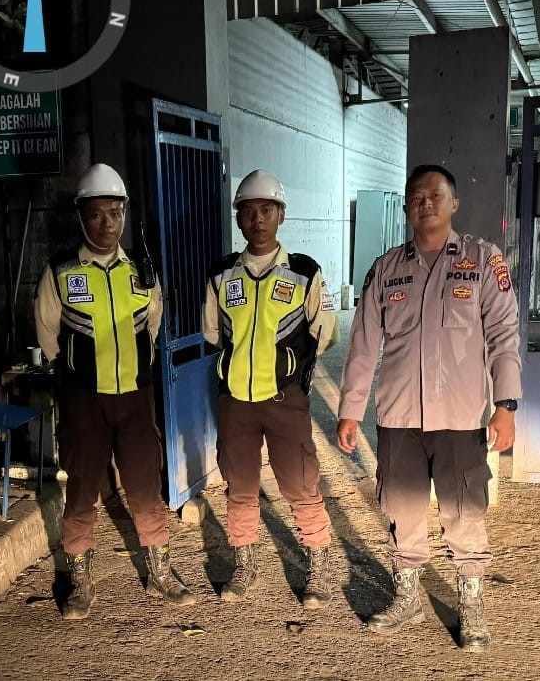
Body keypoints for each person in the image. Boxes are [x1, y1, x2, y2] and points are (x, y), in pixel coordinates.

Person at [336, 164, 522, 652]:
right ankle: (407, 597)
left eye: (435, 195)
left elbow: (504, 336)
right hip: (398, 416)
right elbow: (363, 345)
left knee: (464, 511)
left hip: (460, 417)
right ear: (406, 207)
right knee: (402, 508)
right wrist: (350, 409)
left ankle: (471, 601)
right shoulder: (386, 269)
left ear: (453, 203)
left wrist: (506, 404)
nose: (426, 203)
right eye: (416, 197)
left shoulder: (482, 261)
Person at [34, 163, 196, 620]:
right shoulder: (61, 271)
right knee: (82, 487)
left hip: (135, 399)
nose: (107, 223)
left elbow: (153, 325)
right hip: (85, 400)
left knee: (145, 484)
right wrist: (79, 375)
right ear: (80, 216)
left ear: (124, 214)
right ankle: (79, 579)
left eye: (115, 212)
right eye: (96, 214)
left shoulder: (142, 271)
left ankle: (159, 571)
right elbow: (48, 335)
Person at [201, 168, 339, 607]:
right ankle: (245, 563)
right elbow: (212, 333)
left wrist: (290, 366)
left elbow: (326, 331)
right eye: (248, 211)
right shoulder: (222, 275)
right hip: (236, 402)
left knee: (300, 483)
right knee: (240, 485)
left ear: (281, 215)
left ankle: (318, 563)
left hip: (285, 399)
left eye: (267, 210)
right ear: (238, 219)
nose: (257, 219)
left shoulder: (304, 272)